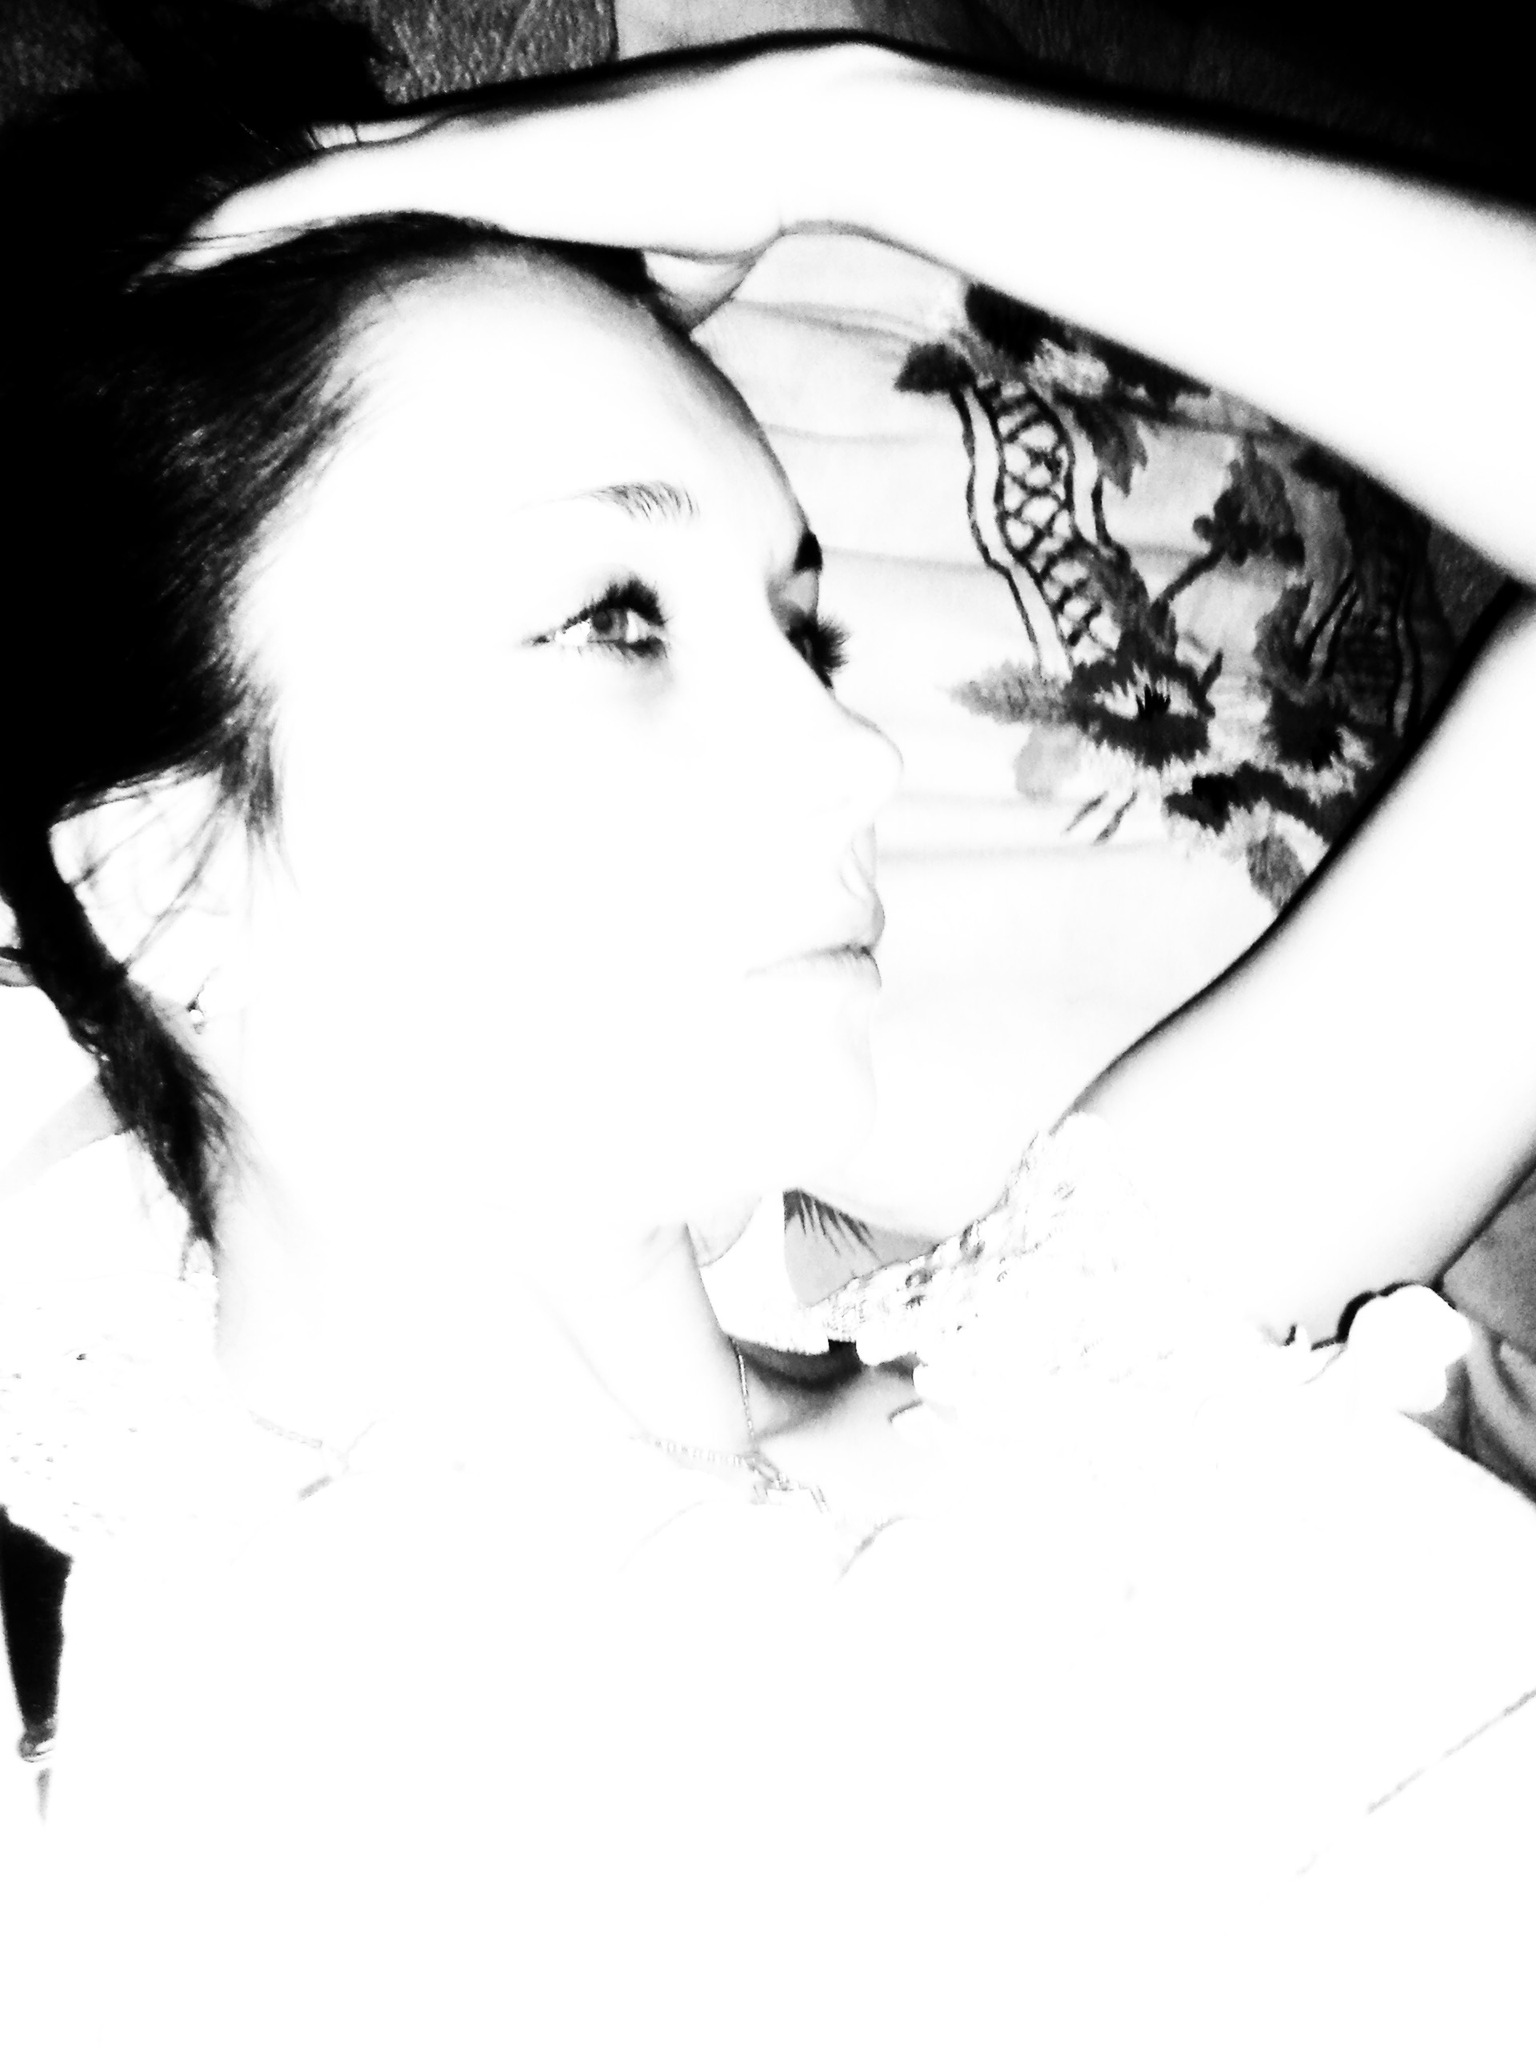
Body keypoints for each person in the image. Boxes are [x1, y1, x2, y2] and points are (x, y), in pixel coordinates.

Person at [3, 19, 1536, 2041]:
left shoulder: (1080, 1353)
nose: (851, 755)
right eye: (615, 619)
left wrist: (848, 130)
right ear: (165, 876)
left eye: (802, 629)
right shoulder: (253, 1823)